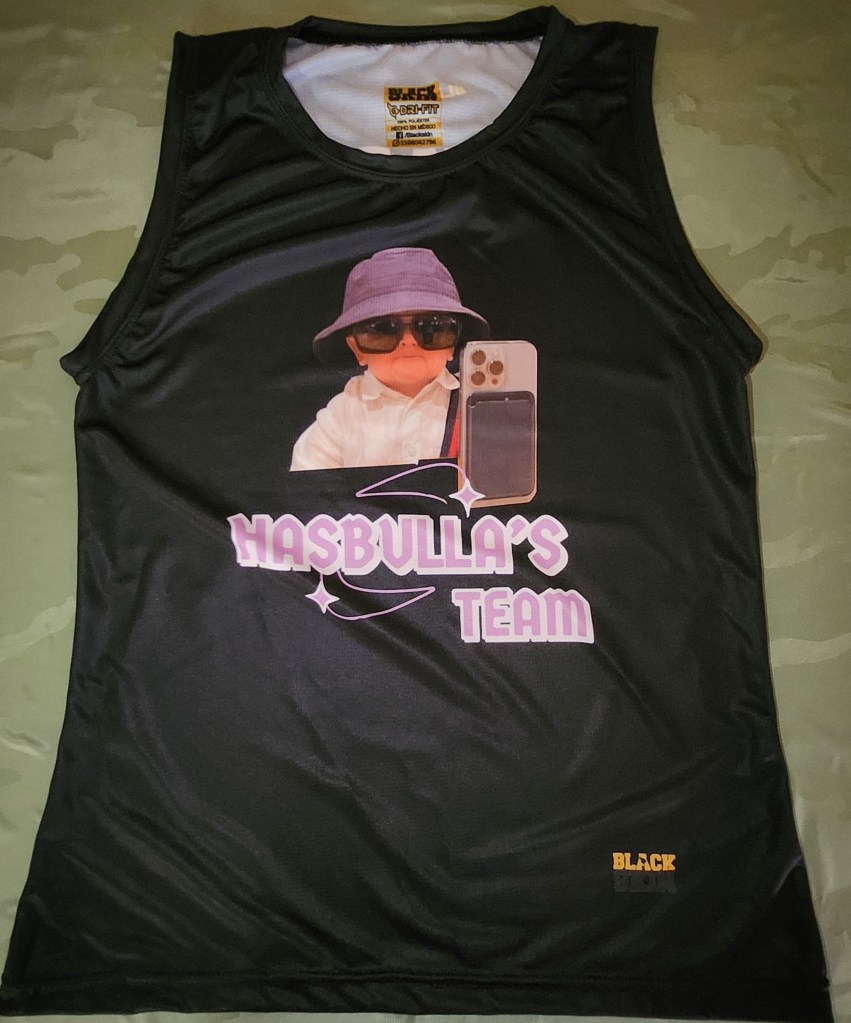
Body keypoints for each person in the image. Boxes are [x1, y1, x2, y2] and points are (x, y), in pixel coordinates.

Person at [290, 247, 489, 470]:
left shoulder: (476, 403)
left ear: (452, 344)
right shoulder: (340, 417)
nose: (408, 341)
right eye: (382, 331)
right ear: (357, 349)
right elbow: (308, 481)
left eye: (430, 329)